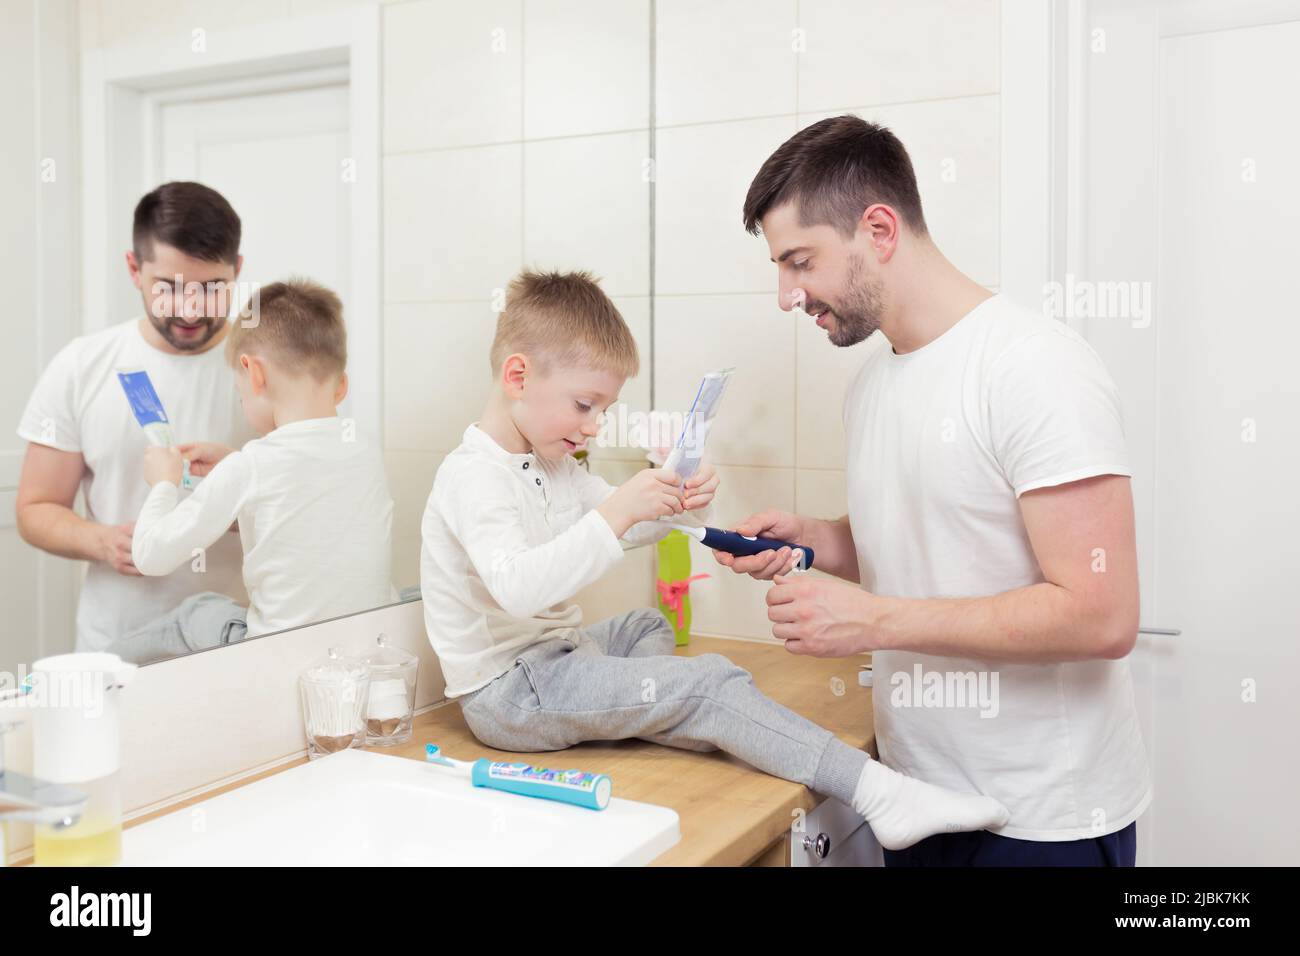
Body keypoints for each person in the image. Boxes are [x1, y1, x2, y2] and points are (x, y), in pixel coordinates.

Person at [420, 268, 1008, 851]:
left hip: (554, 662)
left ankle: (650, 707)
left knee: (646, 624)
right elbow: (520, 587)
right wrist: (623, 508)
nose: (595, 425)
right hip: (509, 696)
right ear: (517, 376)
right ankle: (884, 795)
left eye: (603, 408)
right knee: (707, 684)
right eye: (584, 404)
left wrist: (673, 497)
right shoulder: (472, 477)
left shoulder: (549, 463)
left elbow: (626, 526)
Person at [717, 115, 1149, 865]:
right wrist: (821, 541)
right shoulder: (873, 385)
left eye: (799, 261)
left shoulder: (1034, 368)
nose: (788, 295)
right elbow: (935, 534)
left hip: (1041, 820)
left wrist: (873, 622)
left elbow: (1101, 614)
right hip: (917, 800)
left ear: (878, 229)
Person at [16, 182, 253, 651]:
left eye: (211, 289)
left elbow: (309, 501)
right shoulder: (82, 366)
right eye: (169, 289)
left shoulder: (270, 367)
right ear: (134, 269)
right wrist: (102, 541)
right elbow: (35, 508)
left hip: (242, 641)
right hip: (116, 649)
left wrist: (234, 508)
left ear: (238, 271)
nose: (189, 310)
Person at [115, 280, 394, 662]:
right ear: (340, 386)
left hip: (277, 663)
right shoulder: (365, 449)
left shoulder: (249, 467)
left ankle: (86, 674)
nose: (242, 399)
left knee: (196, 613)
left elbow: (150, 555)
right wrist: (233, 465)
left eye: (239, 391)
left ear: (255, 373)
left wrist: (163, 482)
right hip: (366, 652)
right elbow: (301, 493)